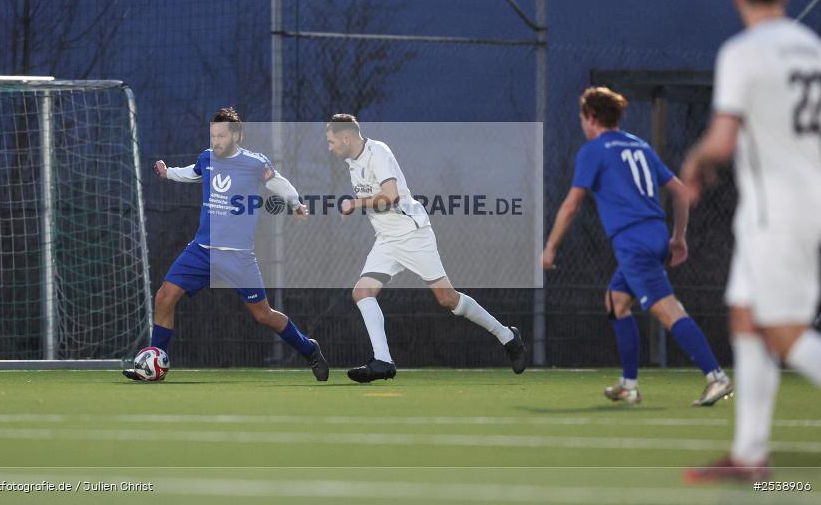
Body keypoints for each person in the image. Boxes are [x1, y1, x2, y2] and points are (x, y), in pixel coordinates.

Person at [682, 0, 821, 483]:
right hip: (803, 203)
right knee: (744, 315)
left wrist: (695, 162)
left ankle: (750, 455)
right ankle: (749, 455)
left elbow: (721, 140)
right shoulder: (813, 48)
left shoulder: (745, 52)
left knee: (784, 334)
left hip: (777, 212)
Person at [542, 87, 731, 406]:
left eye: (581, 117)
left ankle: (716, 376)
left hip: (634, 243)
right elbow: (681, 192)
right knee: (616, 300)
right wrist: (678, 237)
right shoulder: (639, 146)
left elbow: (573, 204)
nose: (581, 124)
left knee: (667, 309)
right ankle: (629, 385)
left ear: (591, 117)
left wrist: (550, 247)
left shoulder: (594, 150)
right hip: (654, 236)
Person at [123, 107, 329, 381]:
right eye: (213, 136)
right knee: (164, 296)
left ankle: (308, 348)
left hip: (238, 257)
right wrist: (168, 172)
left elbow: (278, 183)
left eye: (221, 136)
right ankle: (154, 363)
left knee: (263, 315)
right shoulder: (207, 158)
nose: (215, 141)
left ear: (237, 136)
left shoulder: (255, 163)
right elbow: (193, 173)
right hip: (202, 251)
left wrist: (295, 203)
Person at [325, 114, 528, 382]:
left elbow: (392, 195)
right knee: (362, 292)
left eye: (331, 141)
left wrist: (355, 204)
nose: (330, 147)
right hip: (387, 240)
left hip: (412, 234)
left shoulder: (378, 152)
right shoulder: (352, 162)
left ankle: (507, 335)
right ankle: (383, 361)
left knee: (447, 298)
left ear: (346, 137)